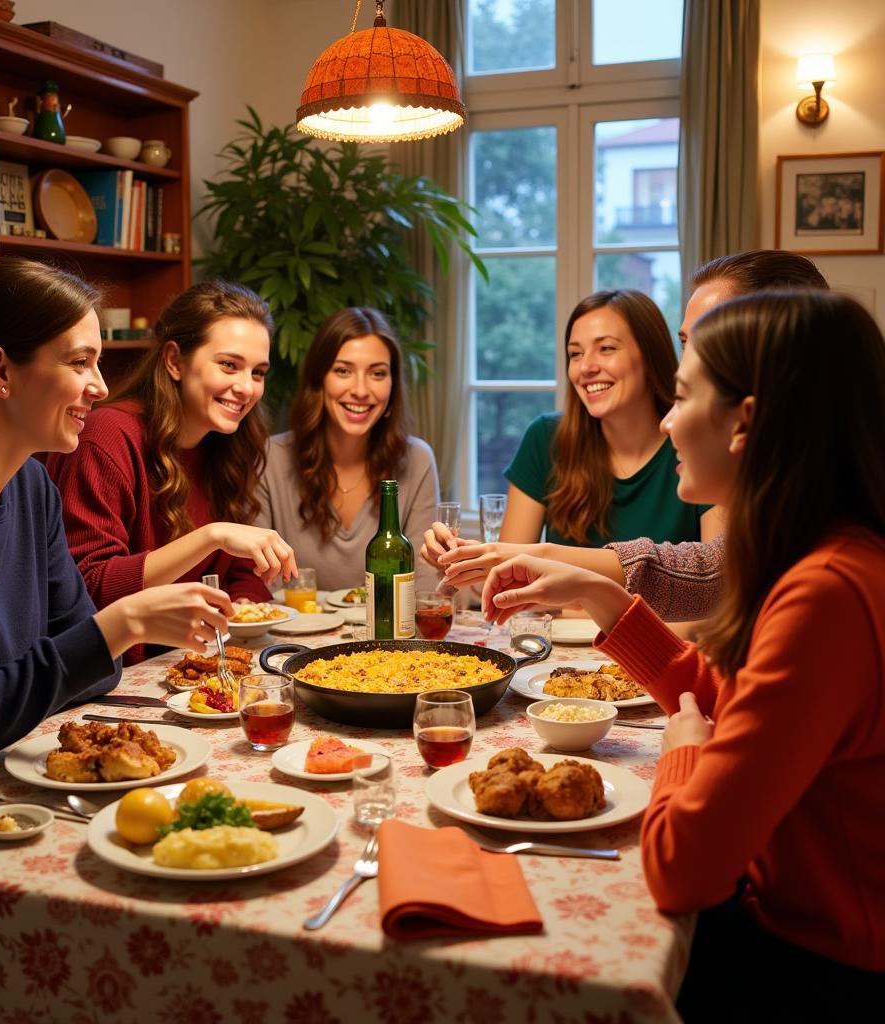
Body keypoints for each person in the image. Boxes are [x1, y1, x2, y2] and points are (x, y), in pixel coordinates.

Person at [480, 290, 885, 1017]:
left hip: (824, 960)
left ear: (744, 423)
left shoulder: (825, 594)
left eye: (683, 396)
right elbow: (733, 701)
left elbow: (683, 869)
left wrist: (684, 749)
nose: (668, 422)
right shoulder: (829, 554)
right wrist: (607, 602)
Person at [0, 258, 232, 804]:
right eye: (80, 362)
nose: (101, 388)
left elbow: (91, 672)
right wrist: (121, 623)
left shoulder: (31, 484)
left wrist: (102, 637)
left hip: (0, 781)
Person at [424, 251, 829, 620]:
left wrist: (562, 576)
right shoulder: (782, 509)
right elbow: (703, 572)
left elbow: (706, 591)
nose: (586, 367)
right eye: (575, 353)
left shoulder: (826, 553)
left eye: (607, 349)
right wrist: (501, 563)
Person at [48, 280, 296, 663]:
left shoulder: (227, 444)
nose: (246, 387)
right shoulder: (108, 436)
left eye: (258, 372)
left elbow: (243, 574)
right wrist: (211, 537)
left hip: (190, 666)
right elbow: (90, 587)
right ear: (175, 361)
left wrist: (245, 607)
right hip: (108, 678)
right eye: (229, 365)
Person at [253, 307, 439, 592]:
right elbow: (256, 587)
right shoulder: (270, 458)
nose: (361, 390)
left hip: (390, 635)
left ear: (392, 386)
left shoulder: (417, 460)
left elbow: (424, 589)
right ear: (319, 380)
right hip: (294, 634)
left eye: (377, 373)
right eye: (343, 371)